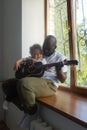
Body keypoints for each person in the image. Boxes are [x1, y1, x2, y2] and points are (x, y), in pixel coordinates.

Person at [2, 35, 67, 115]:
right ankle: (23, 105)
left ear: (55, 47)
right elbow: (29, 59)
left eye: (48, 49)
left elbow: (63, 80)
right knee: (6, 84)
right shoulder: (40, 52)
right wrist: (18, 61)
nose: (45, 51)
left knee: (23, 83)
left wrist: (58, 69)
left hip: (50, 84)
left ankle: (31, 109)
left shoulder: (61, 58)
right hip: (35, 78)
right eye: (44, 47)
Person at [2, 44, 46, 110]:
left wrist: (48, 68)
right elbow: (22, 59)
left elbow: (46, 68)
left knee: (21, 88)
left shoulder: (43, 61)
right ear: (31, 54)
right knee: (15, 86)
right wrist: (18, 62)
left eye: (39, 53)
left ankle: (18, 101)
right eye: (35, 54)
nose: (38, 56)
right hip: (25, 76)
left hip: (34, 80)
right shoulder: (30, 58)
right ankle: (7, 99)